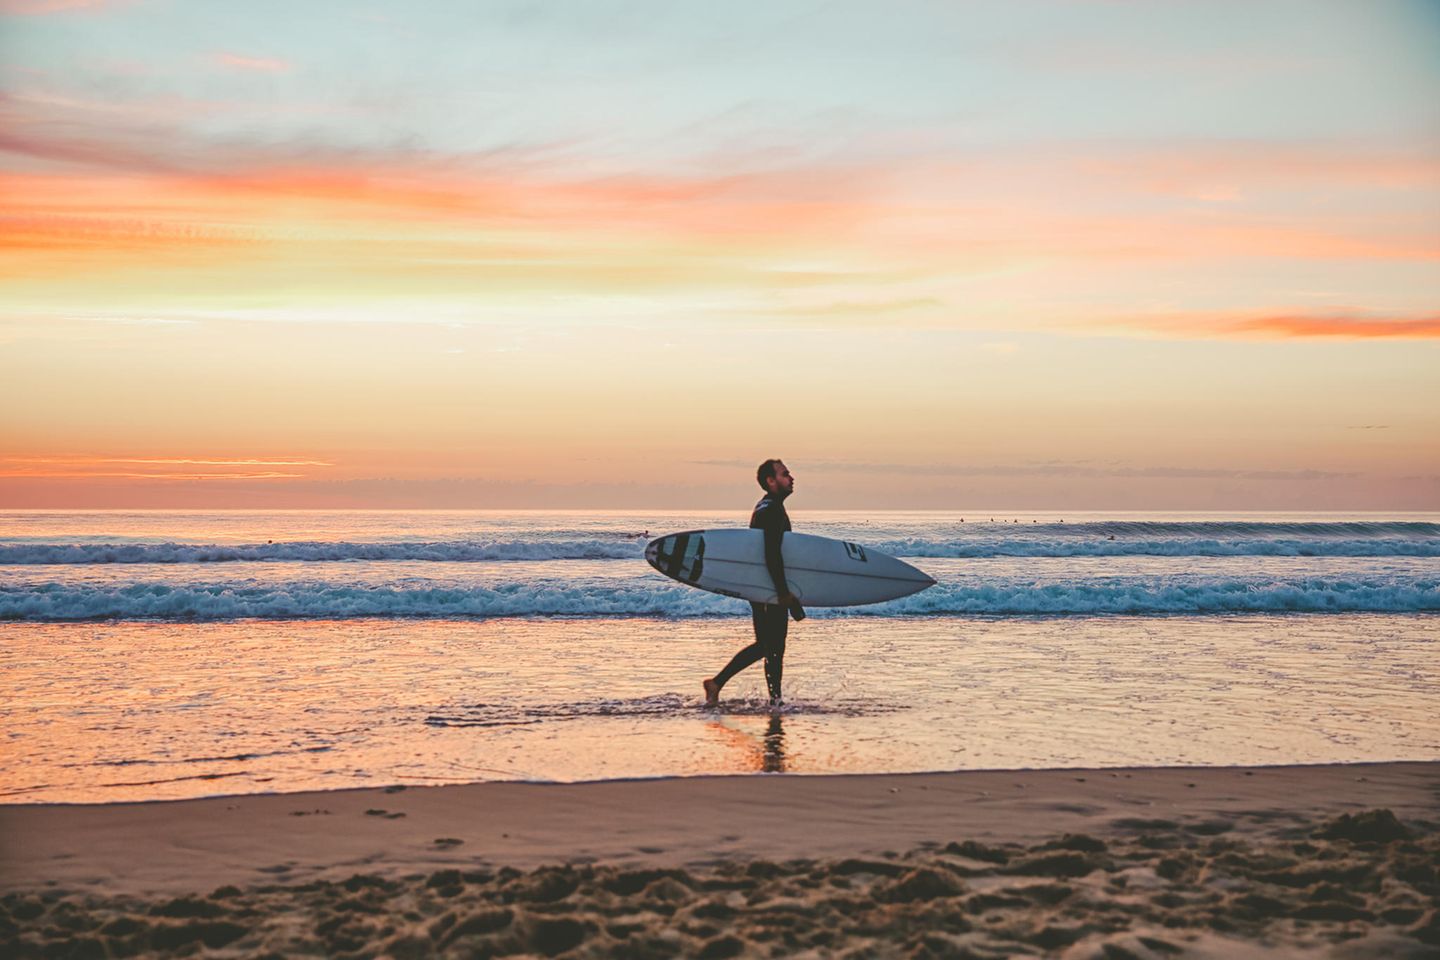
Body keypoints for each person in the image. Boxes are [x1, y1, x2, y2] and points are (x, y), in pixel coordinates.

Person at [703, 459, 805, 707]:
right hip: (768, 587)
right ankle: (719, 683)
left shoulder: (766, 506)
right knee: (770, 646)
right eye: (785, 474)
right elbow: (771, 554)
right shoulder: (771, 511)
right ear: (771, 481)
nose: (791, 478)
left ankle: (774, 700)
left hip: (761, 585)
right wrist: (782, 592)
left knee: (770, 646)